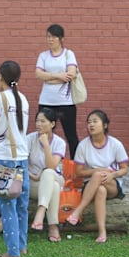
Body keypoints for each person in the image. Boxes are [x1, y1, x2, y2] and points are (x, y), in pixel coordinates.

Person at [65, 109, 129, 244]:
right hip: (91, 186)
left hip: (112, 184)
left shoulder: (115, 144)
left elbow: (124, 169)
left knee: (99, 177)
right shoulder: (83, 145)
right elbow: (79, 172)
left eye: (95, 122)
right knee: (100, 189)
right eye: (89, 122)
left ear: (105, 125)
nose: (91, 125)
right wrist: (98, 170)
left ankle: (77, 212)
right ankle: (102, 232)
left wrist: (113, 175)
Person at [0, 60, 30, 257]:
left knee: (7, 205)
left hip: (4, 157)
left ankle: (12, 253)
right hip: (22, 157)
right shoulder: (23, 99)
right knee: (21, 204)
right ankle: (21, 247)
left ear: (0, 77)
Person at [36, 23, 79, 159]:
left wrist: (48, 78)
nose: (50, 40)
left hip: (65, 102)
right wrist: (59, 76)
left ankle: (74, 167)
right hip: (46, 101)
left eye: (53, 37)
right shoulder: (43, 56)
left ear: (61, 39)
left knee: (71, 135)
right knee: (43, 134)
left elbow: (71, 74)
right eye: (48, 37)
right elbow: (38, 74)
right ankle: (44, 161)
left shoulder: (68, 54)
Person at [28, 108, 66, 242]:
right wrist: (33, 176)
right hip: (33, 182)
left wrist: (46, 146)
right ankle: (53, 227)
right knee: (53, 187)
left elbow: (51, 166)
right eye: (37, 121)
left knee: (49, 173)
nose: (38, 124)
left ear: (52, 124)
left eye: (43, 121)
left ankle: (41, 211)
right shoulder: (30, 139)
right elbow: (20, 164)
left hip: (54, 176)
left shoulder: (59, 142)